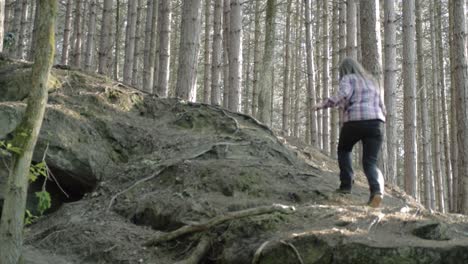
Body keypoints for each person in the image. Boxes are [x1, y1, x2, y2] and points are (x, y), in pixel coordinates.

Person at [313, 57, 386, 208]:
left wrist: (322, 104)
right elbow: (382, 105)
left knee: (344, 150)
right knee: (370, 162)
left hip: (355, 121)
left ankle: (346, 186)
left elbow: (343, 94)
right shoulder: (373, 81)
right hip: (376, 123)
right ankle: (376, 192)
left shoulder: (348, 78)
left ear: (344, 70)